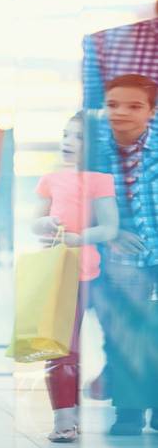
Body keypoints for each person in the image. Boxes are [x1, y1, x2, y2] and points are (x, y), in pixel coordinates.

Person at [31, 112, 118, 443]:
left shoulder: (99, 180)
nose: (68, 141)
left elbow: (109, 227)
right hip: (59, 274)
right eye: (66, 134)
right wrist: (47, 226)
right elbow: (34, 221)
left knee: (113, 344)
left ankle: (106, 396)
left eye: (78, 137)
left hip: (94, 275)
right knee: (61, 349)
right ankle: (64, 421)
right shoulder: (51, 179)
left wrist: (77, 238)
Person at [89, 74, 158, 436]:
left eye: (134, 106)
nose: (121, 113)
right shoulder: (95, 150)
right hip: (121, 259)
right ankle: (129, 412)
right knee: (125, 335)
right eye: (113, 105)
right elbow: (77, 200)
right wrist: (112, 234)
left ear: (151, 110)